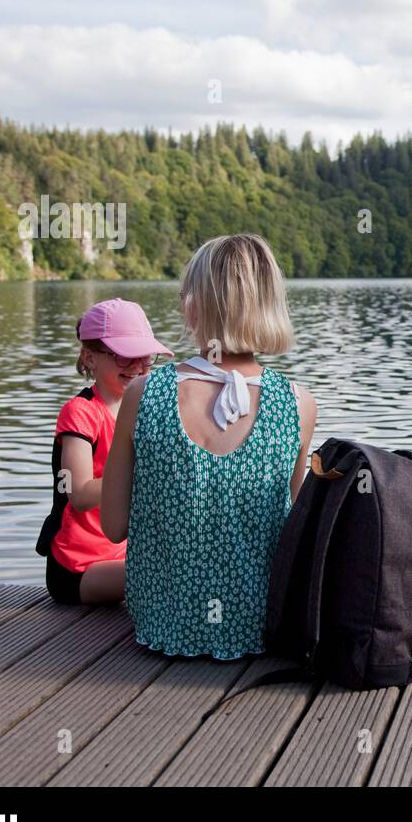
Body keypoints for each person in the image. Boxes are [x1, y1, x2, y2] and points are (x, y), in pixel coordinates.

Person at [101, 233, 317, 659]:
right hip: (259, 631)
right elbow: (293, 529)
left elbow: (113, 526)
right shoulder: (298, 403)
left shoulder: (144, 394)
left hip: (164, 627)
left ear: (194, 305)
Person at [41, 299, 172, 605]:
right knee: (168, 578)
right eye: (126, 357)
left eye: (146, 357)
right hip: (77, 566)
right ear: (90, 358)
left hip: (123, 553)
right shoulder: (80, 413)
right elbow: (81, 494)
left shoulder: (146, 412)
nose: (139, 367)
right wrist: (139, 472)